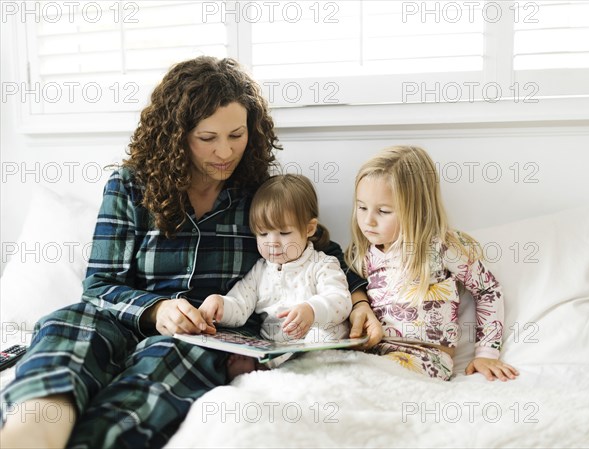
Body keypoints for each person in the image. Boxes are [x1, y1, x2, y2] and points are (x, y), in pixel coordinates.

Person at [0, 56, 378, 449]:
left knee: (161, 370)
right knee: (68, 329)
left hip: (201, 333)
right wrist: (157, 309)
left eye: (237, 134)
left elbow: (317, 249)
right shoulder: (130, 187)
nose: (225, 152)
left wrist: (358, 299)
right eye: (207, 137)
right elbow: (98, 285)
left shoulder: (255, 193)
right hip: (117, 319)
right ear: (177, 134)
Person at [345, 145, 520, 382]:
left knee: (376, 381)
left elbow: (487, 290)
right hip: (375, 351)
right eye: (362, 207)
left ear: (416, 209)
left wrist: (487, 352)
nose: (368, 221)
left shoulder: (440, 246)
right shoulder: (362, 254)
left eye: (383, 211)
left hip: (426, 356)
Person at [200, 174, 353, 378]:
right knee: (252, 352)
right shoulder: (260, 271)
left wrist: (312, 310)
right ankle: (266, 367)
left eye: (283, 233)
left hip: (317, 339)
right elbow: (240, 304)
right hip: (276, 346)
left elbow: (340, 300)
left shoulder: (322, 264)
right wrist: (219, 304)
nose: (272, 242)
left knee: (319, 337)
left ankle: (305, 371)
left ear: (309, 228)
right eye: (263, 234)